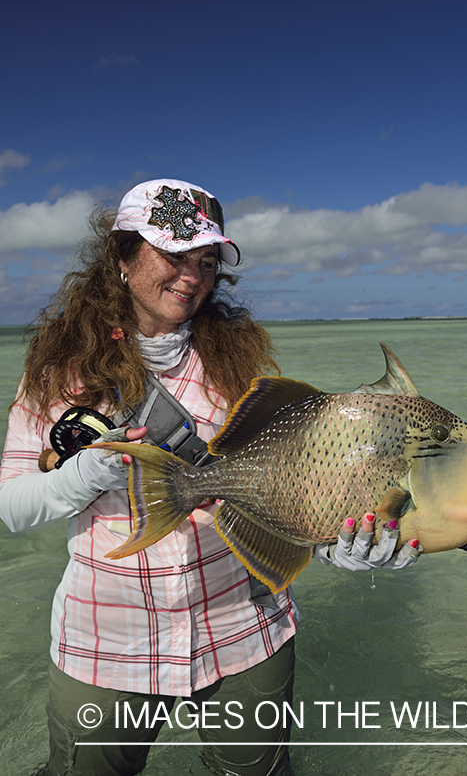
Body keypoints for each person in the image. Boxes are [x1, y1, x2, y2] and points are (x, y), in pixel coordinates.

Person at [0, 179, 420, 776]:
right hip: (108, 639)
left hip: (246, 628)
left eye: (205, 262)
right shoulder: (58, 369)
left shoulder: (238, 362)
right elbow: (13, 507)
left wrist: (338, 543)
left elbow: (290, 487)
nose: (191, 277)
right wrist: (89, 470)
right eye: (173, 256)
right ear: (121, 257)